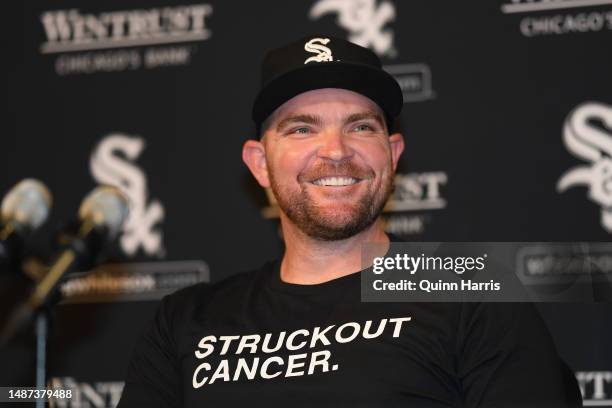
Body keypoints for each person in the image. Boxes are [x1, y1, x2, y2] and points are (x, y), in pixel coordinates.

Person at [117, 36, 577, 407]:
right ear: (259, 164)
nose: (336, 151)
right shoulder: (185, 320)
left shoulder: (471, 294)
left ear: (393, 155)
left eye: (361, 127)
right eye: (302, 128)